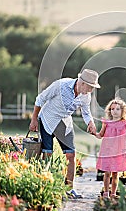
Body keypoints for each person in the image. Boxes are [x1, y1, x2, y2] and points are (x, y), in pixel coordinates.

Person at [29, 69, 100, 199]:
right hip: (48, 119)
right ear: (82, 83)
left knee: (71, 154)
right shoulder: (61, 85)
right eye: (90, 87)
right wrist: (34, 119)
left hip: (65, 123)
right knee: (47, 153)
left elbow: (86, 112)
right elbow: (40, 99)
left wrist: (91, 123)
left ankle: (69, 188)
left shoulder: (86, 96)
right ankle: (45, 185)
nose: (91, 90)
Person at [95, 98, 126, 198]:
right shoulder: (106, 122)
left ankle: (113, 193)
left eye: (117, 109)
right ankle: (106, 193)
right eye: (112, 109)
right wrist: (93, 132)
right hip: (107, 151)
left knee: (115, 174)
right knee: (107, 173)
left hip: (119, 151)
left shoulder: (124, 122)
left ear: (123, 111)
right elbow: (100, 135)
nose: (114, 111)